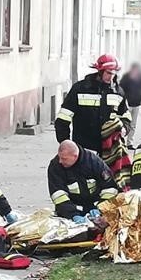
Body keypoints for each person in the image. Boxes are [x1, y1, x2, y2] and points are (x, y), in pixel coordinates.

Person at [55, 54, 132, 186]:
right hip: (83, 147)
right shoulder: (80, 89)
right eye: (108, 73)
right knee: (85, 185)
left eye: (114, 74)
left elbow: (126, 116)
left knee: (109, 184)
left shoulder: (118, 92)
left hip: (108, 150)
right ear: (100, 71)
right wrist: (66, 142)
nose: (111, 77)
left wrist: (123, 129)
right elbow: (63, 118)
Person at [47, 140, 120, 222]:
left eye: (64, 159)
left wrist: (101, 208)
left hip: (95, 209)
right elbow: (58, 196)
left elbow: (110, 188)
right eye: (59, 157)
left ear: (75, 156)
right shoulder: (55, 166)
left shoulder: (94, 162)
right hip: (70, 211)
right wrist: (72, 215)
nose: (60, 161)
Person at [119, 63, 141, 149]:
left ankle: (129, 143)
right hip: (127, 104)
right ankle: (121, 142)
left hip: (137, 104)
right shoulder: (126, 77)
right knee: (124, 123)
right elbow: (120, 89)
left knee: (133, 125)